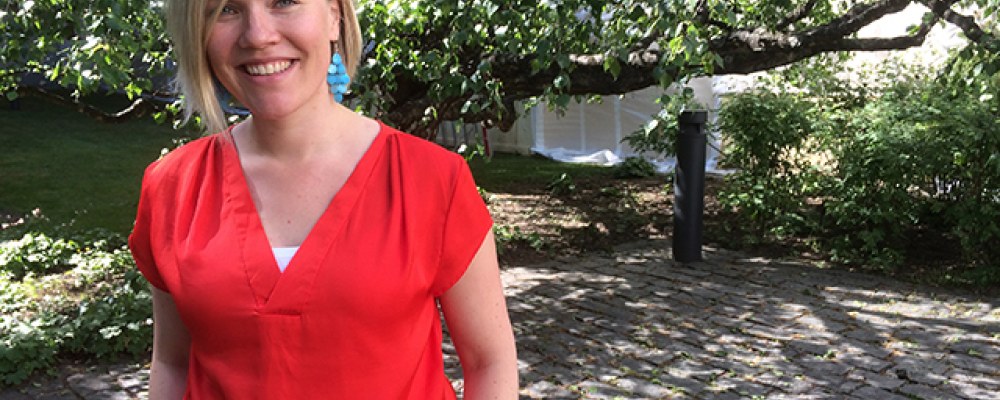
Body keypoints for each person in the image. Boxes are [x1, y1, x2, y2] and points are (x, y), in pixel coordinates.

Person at [127, 0, 518, 398]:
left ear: (334, 16)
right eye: (226, 9)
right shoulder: (173, 187)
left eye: (284, 1)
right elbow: (173, 363)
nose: (257, 35)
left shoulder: (433, 180)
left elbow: (489, 361)